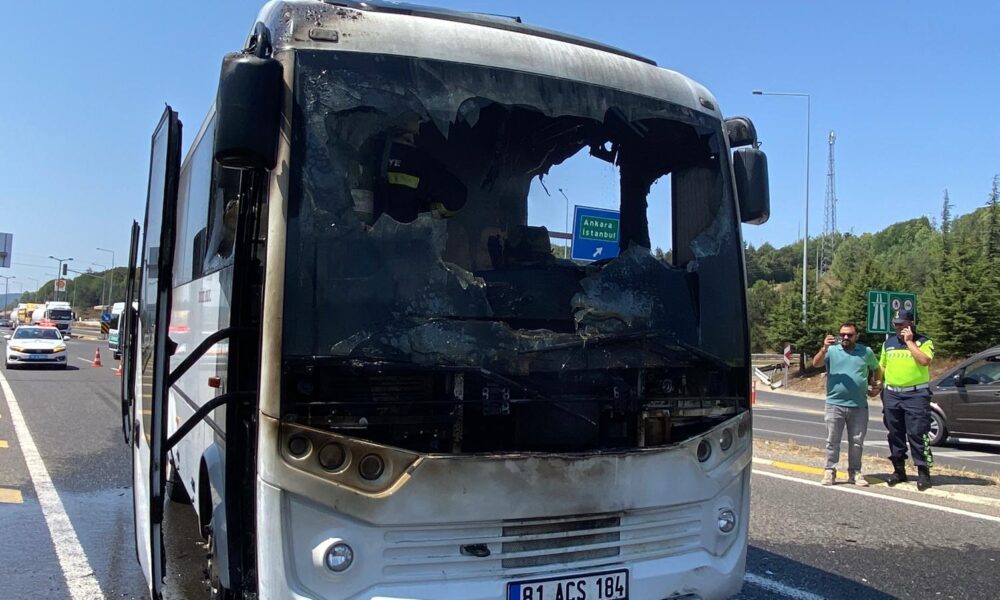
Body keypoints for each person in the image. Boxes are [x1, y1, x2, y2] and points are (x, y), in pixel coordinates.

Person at [812, 322, 882, 486]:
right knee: (832, 441)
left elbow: (877, 368)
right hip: (834, 404)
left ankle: (855, 473)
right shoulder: (832, 350)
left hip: (858, 405)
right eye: (842, 334)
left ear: (856, 336)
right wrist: (824, 348)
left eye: (849, 335)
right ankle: (830, 471)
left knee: (857, 442)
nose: (845, 337)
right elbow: (816, 363)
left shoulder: (866, 352)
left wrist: (878, 385)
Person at [880, 308, 935, 490]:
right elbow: (882, 367)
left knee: (917, 433)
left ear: (910, 324)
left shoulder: (924, 342)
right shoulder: (888, 343)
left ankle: (923, 472)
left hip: (916, 394)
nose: (898, 328)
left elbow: (925, 361)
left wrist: (909, 342)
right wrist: (876, 383)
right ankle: (898, 470)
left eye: (901, 324)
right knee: (895, 433)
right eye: (895, 324)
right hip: (892, 393)